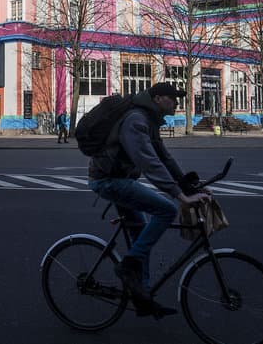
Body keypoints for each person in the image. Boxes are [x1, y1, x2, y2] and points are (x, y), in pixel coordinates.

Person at [87, 83, 209, 318]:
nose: (176, 102)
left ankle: (141, 293)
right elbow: (148, 161)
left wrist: (186, 183)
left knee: (141, 230)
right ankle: (128, 266)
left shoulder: (149, 120)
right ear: (158, 98)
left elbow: (164, 157)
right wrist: (178, 195)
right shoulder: (136, 120)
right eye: (172, 98)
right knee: (166, 209)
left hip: (121, 179)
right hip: (108, 181)